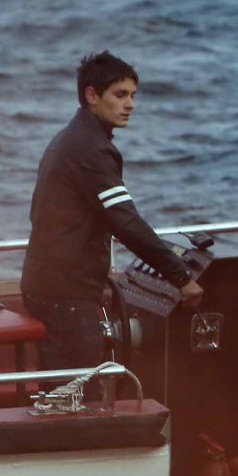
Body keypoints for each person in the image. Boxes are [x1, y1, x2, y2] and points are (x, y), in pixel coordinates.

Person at [22, 51, 202, 374]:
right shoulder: (93, 150)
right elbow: (124, 221)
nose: (130, 104)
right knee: (80, 396)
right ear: (92, 95)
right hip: (66, 295)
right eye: (120, 95)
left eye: (133, 95)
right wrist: (182, 278)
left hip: (45, 285)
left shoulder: (68, 139)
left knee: (63, 392)